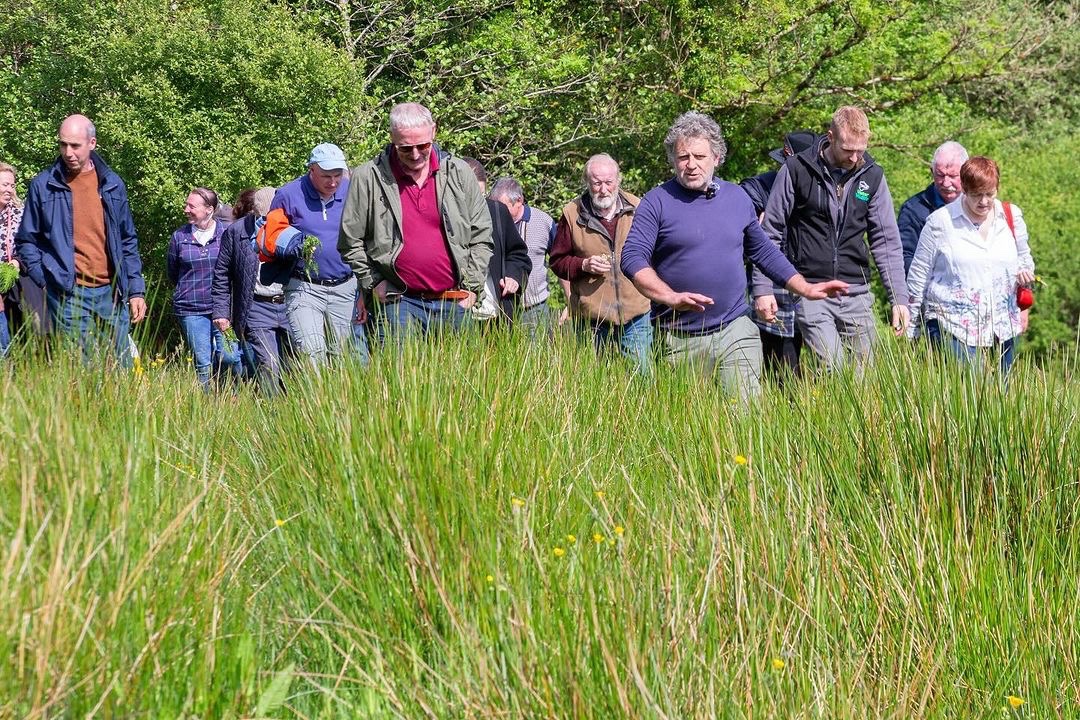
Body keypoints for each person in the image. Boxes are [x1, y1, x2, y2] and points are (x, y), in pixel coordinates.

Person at [621, 112, 848, 398]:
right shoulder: (657, 201)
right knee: (690, 427)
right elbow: (632, 257)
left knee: (745, 418)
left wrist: (803, 287)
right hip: (679, 337)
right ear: (673, 160)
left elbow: (763, 250)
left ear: (717, 158)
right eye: (683, 157)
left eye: (699, 156)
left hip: (735, 329)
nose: (691, 165)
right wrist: (669, 296)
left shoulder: (736, 197)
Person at [752, 106, 909, 372]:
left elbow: (885, 241)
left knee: (866, 376)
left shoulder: (871, 176)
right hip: (809, 287)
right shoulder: (797, 169)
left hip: (856, 291)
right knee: (834, 367)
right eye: (848, 150)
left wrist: (899, 299)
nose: (855, 157)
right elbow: (769, 233)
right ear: (830, 137)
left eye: (861, 149)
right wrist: (763, 289)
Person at [338, 102, 492, 339]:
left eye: (423, 145)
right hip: (397, 304)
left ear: (434, 131)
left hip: (454, 302)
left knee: (461, 376)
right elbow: (350, 241)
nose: (416, 154)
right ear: (391, 138)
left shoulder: (459, 173)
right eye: (405, 148)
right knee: (395, 376)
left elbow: (481, 234)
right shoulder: (368, 177)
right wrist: (373, 282)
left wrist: (471, 288)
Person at [16, 114, 147, 366]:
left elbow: (127, 240)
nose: (68, 152)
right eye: (63, 144)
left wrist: (136, 290)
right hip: (68, 293)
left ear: (92, 143)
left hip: (111, 292)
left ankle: (119, 406)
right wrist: (45, 280)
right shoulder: (43, 185)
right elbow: (26, 241)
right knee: (82, 368)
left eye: (75, 145)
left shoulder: (112, 184)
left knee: (122, 365)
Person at [906, 156, 1034, 375]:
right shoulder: (940, 223)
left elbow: (1024, 258)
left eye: (989, 194)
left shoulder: (1011, 217)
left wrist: (1026, 274)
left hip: (1002, 324)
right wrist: (912, 329)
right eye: (976, 195)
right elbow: (919, 276)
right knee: (969, 391)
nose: (983, 201)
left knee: (1001, 397)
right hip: (952, 323)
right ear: (964, 189)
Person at [549, 153, 652, 372]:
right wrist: (583, 265)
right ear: (587, 183)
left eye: (608, 182)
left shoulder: (638, 207)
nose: (603, 189)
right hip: (591, 314)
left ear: (618, 180)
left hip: (636, 311)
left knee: (641, 377)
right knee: (594, 380)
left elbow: (654, 253)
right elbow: (557, 262)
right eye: (596, 183)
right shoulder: (572, 213)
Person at [272, 142, 368, 366]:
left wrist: (364, 291)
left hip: (346, 287)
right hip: (304, 286)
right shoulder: (287, 195)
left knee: (343, 356)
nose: (333, 182)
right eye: (326, 176)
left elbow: (367, 238)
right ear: (311, 170)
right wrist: (294, 245)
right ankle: (314, 400)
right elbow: (272, 237)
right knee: (311, 353)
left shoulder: (352, 189)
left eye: (338, 175)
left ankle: (340, 400)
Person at [739, 130, 817, 382]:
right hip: (775, 285)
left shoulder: (820, 188)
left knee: (825, 360)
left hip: (813, 281)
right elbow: (746, 238)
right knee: (782, 365)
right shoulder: (758, 188)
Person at [212, 187, 296, 395]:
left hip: (290, 304)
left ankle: (297, 411)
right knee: (268, 363)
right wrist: (221, 312)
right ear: (255, 212)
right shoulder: (237, 231)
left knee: (295, 363)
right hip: (257, 306)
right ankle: (272, 411)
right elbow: (222, 273)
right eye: (264, 217)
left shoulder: (293, 228)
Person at [167, 187, 242, 389]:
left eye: (191, 205)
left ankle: (234, 395)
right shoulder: (179, 237)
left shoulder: (227, 234)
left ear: (209, 209)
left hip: (223, 309)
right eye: (186, 204)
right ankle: (208, 406)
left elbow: (236, 271)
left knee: (231, 356)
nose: (186, 209)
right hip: (190, 309)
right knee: (203, 363)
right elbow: (173, 272)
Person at [489, 176, 567, 331]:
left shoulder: (543, 222)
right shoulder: (487, 220)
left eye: (502, 207)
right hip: (495, 309)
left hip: (533, 310)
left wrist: (570, 301)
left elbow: (561, 262)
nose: (497, 211)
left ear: (519, 201)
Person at [462, 158, 531, 324]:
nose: (475, 202)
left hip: (496, 314)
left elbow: (518, 255)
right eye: (468, 195)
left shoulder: (497, 211)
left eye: (480, 194)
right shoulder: (440, 215)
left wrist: (513, 276)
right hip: (457, 314)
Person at [898, 141, 969, 274]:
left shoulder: (979, 206)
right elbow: (904, 257)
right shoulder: (913, 210)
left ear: (967, 173)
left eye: (953, 176)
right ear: (932, 172)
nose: (946, 183)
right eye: (940, 175)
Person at [0, 162, 23, 357]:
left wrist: (17, 261)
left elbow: (31, 243)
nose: (9, 190)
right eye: (4, 185)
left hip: (17, 285)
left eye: (12, 185)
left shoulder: (20, 213)